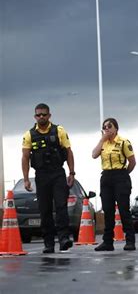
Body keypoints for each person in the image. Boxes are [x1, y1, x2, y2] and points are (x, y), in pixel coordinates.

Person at [22, 103, 75, 253]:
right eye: (38, 115)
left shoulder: (59, 131)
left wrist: (71, 173)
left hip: (57, 173)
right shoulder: (29, 135)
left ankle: (64, 238)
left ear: (49, 115)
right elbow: (25, 157)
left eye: (44, 114)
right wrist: (26, 179)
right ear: (35, 116)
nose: (41, 117)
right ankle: (48, 243)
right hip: (41, 175)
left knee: (61, 206)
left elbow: (69, 152)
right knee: (44, 210)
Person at [92, 118, 136, 251]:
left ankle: (130, 241)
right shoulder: (103, 143)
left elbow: (132, 162)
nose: (107, 129)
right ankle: (107, 242)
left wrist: (124, 174)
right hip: (106, 177)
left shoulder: (123, 142)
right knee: (108, 210)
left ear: (116, 128)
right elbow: (94, 155)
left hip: (120, 176)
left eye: (109, 126)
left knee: (123, 210)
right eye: (104, 127)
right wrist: (101, 140)